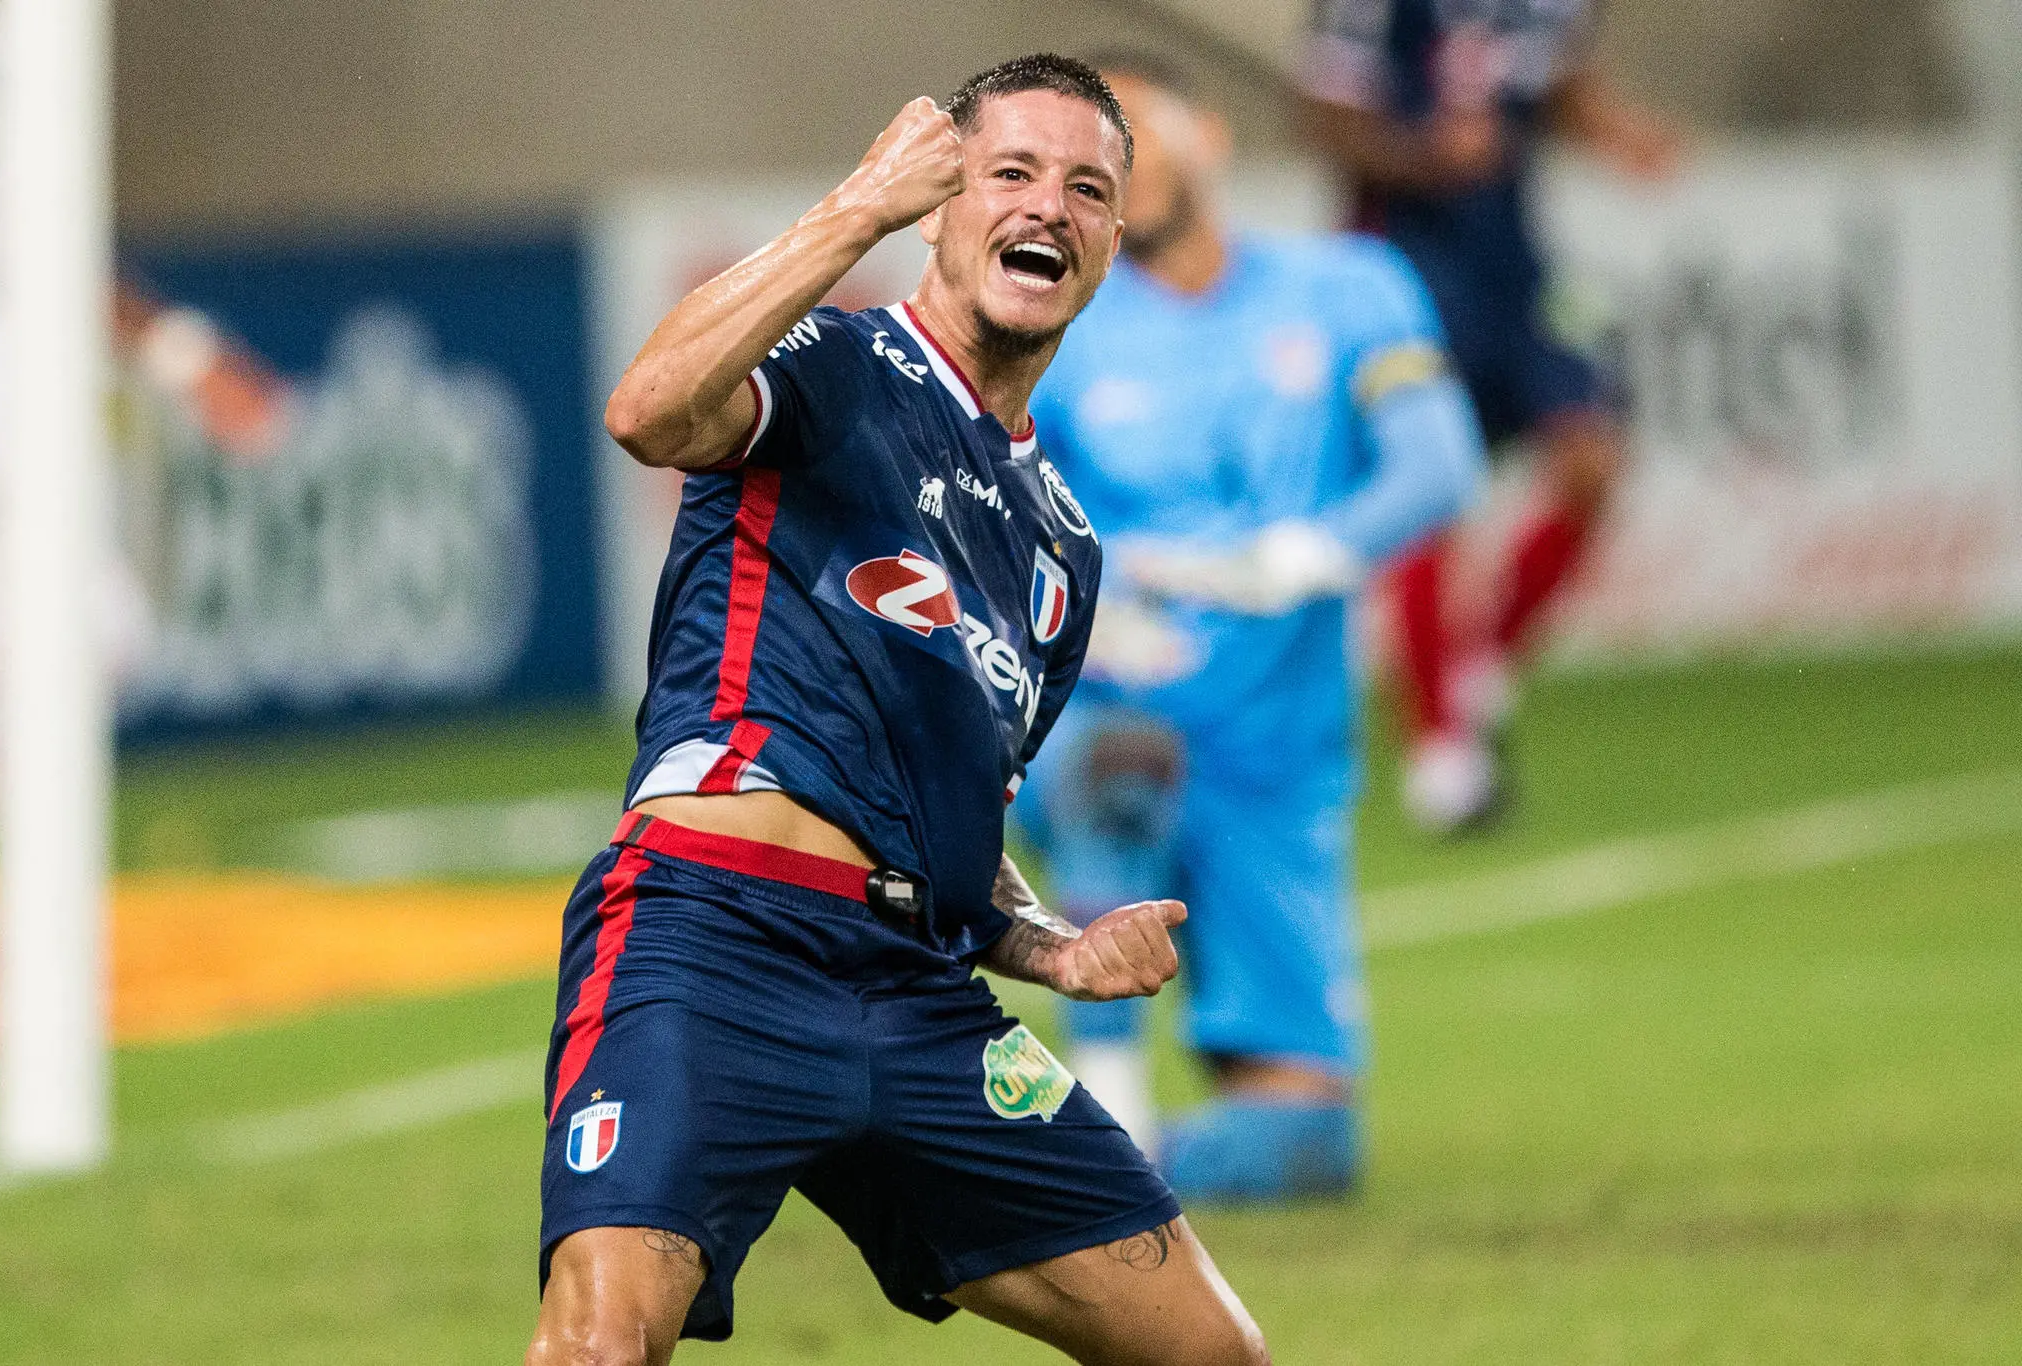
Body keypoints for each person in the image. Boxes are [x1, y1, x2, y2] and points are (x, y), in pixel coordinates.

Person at [527, 55, 1268, 1366]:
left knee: (1215, 1352)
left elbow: (955, 827)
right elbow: (646, 411)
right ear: (941, 205)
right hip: (714, 936)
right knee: (597, 1345)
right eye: (1012, 174)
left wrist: (1051, 948)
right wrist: (852, 210)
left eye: (1088, 188)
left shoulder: (1061, 554)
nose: (1049, 205)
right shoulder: (833, 362)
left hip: (916, 994)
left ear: (1106, 243)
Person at [1020, 57, 1483, 1197]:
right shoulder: (1059, 329)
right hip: (1103, 727)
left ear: (1210, 138)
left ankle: (1082, 1171)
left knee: (1308, 1145)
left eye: (1135, 132)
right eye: (1090, 160)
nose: (1119, 166)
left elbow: (1438, 463)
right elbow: (999, 519)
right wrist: (1093, 610)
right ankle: (1108, 1101)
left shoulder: (1347, 286)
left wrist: (1315, 550)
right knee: (1120, 764)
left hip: (1275, 762)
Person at [1298, 0, 1682, 831]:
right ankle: (1440, 748)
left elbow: (1554, 84)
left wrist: (1617, 133)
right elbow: (1326, 117)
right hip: (1401, 265)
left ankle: (1479, 661)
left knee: (1592, 460)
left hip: (1516, 262)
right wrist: (1424, 155)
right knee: (1431, 489)